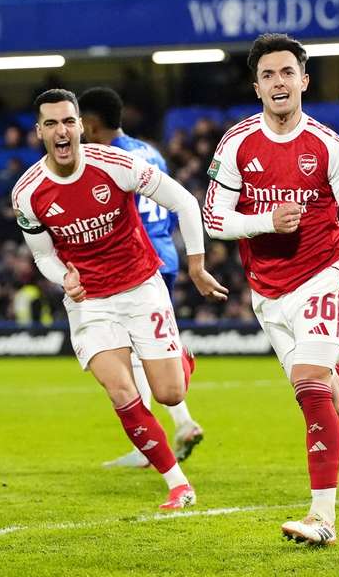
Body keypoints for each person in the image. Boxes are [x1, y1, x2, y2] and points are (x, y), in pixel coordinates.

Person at [203, 33, 339, 546]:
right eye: (268, 75)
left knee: (312, 385)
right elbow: (214, 219)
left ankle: (323, 517)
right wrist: (265, 219)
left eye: (287, 72)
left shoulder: (328, 145)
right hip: (268, 292)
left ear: (304, 80)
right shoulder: (237, 143)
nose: (278, 82)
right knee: (325, 400)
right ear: (257, 86)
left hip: (324, 273)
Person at [12, 89, 227, 509]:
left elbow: (184, 201)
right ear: (39, 132)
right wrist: (64, 277)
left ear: (81, 126)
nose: (62, 130)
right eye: (51, 123)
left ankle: (180, 358)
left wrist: (198, 267)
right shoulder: (27, 193)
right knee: (121, 392)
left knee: (169, 394)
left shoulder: (120, 164)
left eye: (68, 121)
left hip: (141, 286)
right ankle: (178, 484)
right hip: (89, 302)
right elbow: (42, 255)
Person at [78, 86, 205, 468]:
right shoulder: (149, 151)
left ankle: (166, 431)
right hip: (163, 251)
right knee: (137, 351)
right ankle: (167, 433)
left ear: (91, 123)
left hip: (134, 262)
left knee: (131, 352)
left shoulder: (107, 158)